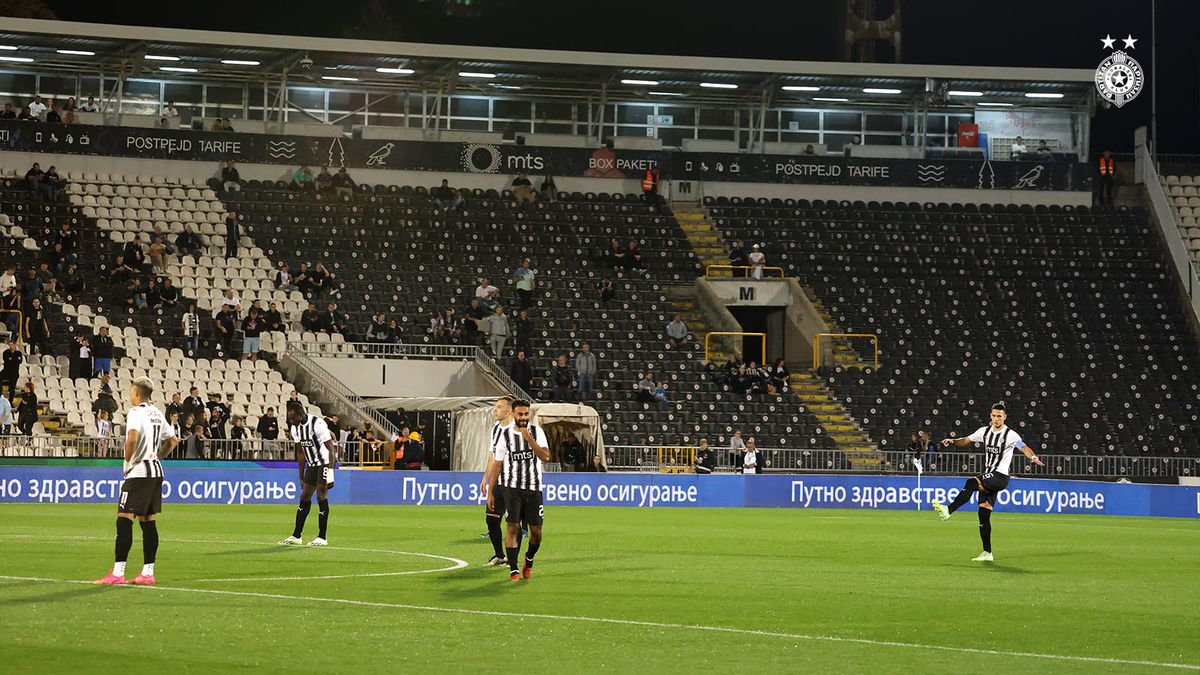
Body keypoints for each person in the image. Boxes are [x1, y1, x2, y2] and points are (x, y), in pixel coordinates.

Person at [932, 402, 1046, 562]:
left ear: (1005, 417)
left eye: (999, 416)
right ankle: (987, 553)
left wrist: (1033, 457)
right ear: (990, 416)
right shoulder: (984, 431)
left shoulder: (1011, 435)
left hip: (1000, 477)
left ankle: (948, 510)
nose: (996, 419)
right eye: (994, 416)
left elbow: (1024, 447)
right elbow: (966, 440)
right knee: (983, 514)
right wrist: (953, 441)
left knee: (971, 483)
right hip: (990, 475)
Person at [92, 377, 178, 586]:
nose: (130, 395)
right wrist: (157, 455)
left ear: (137, 393)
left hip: (138, 472)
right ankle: (148, 573)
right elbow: (173, 440)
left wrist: (127, 462)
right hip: (156, 471)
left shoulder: (135, 412)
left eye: (131, 391)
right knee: (148, 521)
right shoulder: (157, 412)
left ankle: (117, 573)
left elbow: (131, 439)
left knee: (124, 519)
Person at [483, 399, 550, 581]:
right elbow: (497, 464)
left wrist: (528, 439)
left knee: (536, 533)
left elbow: (545, 456)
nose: (523, 417)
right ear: (513, 414)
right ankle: (513, 568)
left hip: (534, 490)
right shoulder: (505, 436)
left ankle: (529, 558)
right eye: (520, 414)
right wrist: (490, 490)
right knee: (512, 527)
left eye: (526, 414)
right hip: (513, 490)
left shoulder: (537, 432)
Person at [280, 401, 338, 546]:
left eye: (293, 418)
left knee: (320, 495)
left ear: (300, 415)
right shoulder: (296, 429)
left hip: (324, 462)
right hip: (311, 465)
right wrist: (301, 476)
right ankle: (296, 536)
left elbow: (330, 449)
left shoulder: (317, 425)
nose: (291, 422)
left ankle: (322, 537)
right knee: (305, 497)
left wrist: (330, 474)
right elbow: (300, 452)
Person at [480, 397, 515, 566]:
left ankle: (512, 559)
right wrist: (485, 478)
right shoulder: (495, 429)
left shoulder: (517, 430)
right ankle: (499, 555)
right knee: (491, 519)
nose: (495, 410)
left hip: (513, 483)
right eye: (495, 407)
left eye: (499, 407)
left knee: (512, 522)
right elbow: (492, 455)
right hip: (497, 482)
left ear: (509, 411)